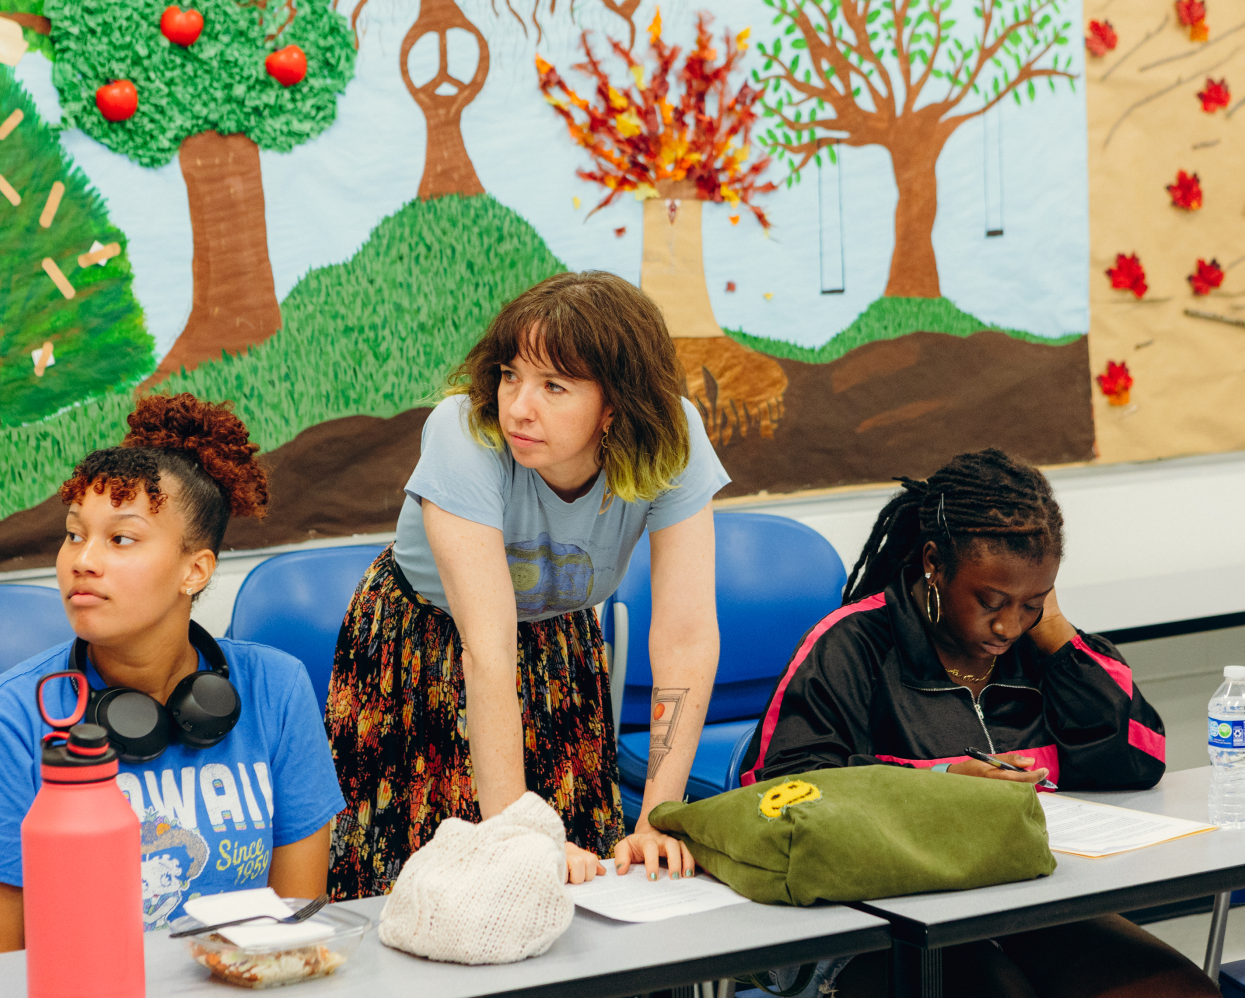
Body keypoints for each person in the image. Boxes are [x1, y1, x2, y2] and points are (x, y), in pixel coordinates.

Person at [738, 448, 1216, 998]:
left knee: (1178, 991)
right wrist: (941, 786)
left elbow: (1138, 758)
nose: (1010, 624)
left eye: (1032, 602)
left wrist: (1056, 633)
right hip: (878, 916)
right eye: (991, 600)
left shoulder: (1040, 648)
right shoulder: (851, 647)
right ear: (934, 563)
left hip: (1029, 899)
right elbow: (779, 793)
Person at [326, 271, 727, 898]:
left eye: (554, 386)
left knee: (584, 875)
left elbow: (685, 633)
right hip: (428, 647)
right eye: (511, 374)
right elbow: (487, 647)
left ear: (616, 404)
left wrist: (655, 818)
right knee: (452, 880)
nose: (518, 406)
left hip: (560, 644)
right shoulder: (465, 432)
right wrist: (517, 831)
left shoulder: (672, 439)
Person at [0, 394, 345, 952]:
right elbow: (9, 962)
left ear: (195, 569)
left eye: (121, 538)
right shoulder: (15, 716)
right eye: (73, 534)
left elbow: (293, 929)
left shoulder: (276, 688)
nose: (82, 560)